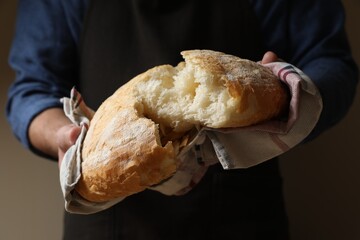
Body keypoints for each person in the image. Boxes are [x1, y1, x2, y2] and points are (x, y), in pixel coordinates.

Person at [6, 0, 358, 239]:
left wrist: (289, 93)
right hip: (107, 221)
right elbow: (32, 89)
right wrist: (65, 135)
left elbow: (331, 62)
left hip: (242, 216)